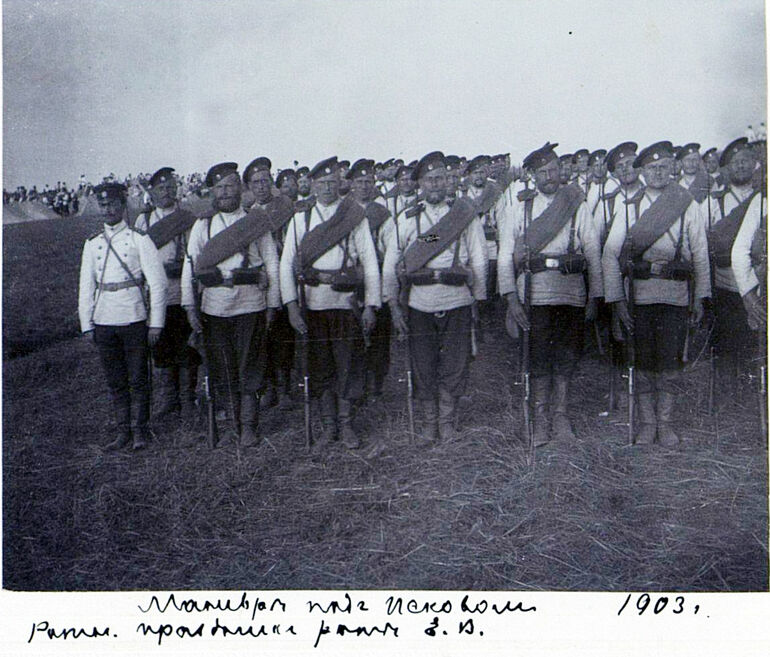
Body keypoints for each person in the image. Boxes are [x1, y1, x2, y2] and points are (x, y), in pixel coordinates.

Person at [602, 141, 710, 446]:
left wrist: (700, 298)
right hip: (640, 296)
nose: (658, 172)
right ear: (643, 172)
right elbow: (610, 255)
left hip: (676, 296)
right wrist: (617, 301)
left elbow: (700, 255)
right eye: (652, 168)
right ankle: (648, 423)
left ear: (673, 168)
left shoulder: (687, 204)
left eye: (663, 167)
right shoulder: (630, 206)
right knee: (643, 363)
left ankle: (666, 424)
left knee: (670, 364)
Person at [499, 143, 602, 445]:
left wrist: (595, 296)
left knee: (567, 356)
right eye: (543, 172)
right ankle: (541, 416)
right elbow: (505, 256)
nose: (549, 176)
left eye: (554, 170)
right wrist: (510, 298)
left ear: (560, 171)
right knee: (539, 357)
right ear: (533, 176)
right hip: (535, 293)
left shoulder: (576, 204)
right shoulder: (519, 208)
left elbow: (593, 252)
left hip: (570, 292)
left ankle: (561, 416)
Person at [383, 151, 487, 443]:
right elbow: (392, 262)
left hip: (457, 300)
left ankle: (447, 421)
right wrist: (393, 305)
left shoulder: (463, 215)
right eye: (429, 180)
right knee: (423, 364)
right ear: (420, 184)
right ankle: (430, 423)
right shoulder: (408, 219)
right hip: (420, 302)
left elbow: (479, 258)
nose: (435, 185)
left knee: (456, 363)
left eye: (440, 178)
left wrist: (478, 300)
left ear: (448, 180)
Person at [280, 156, 380, 453]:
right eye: (321, 183)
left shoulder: (354, 217)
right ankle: (328, 425)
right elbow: (286, 265)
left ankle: (346, 423)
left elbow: (370, 263)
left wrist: (371, 304)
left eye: (332, 183)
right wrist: (291, 306)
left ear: (340, 184)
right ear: (312, 185)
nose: (326, 188)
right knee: (320, 365)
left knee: (348, 364)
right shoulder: (300, 220)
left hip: (346, 303)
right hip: (313, 304)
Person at [181, 162, 281, 447]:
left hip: (250, 303)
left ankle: (249, 426)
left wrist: (272, 304)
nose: (225, 192)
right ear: (213, 191)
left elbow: (271, 264)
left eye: (230, 186)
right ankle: (234, 424)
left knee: (251, 365)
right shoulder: (203, 225)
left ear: (240, 188)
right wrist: (190, 307)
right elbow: (190, 266)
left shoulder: (255, 221)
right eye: (219, 187)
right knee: (222, 367)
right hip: (215, 307)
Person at [78, 182, 168, 451]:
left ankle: (140, 430)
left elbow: (158, 284)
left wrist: (156, 323)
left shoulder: (139, 239)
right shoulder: (92, 243)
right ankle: (122, 432)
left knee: (138, 378)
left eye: (113, 204)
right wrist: (86, 324)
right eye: (103, 205)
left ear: (123, 205)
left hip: (133, 317)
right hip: (104, 319)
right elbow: (86, 287)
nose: (107, 210)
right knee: (115, 380)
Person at [134, 167, 200, 421]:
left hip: (181, 291)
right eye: (161, 188)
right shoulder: (144, 221)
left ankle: (187, 398)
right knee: (161, 346)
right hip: (155, 296)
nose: (166, 193)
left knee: (185, 345)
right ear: (152, 192)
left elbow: (195, 253)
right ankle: (169, 397)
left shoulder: (187, 219)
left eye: (171, 187)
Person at [242, 156, 296, 410]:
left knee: (283, 332)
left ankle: (285, 386)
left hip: (284, 275)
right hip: (260, 281)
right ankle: (268, 386)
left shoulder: (285, 208)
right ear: (249, 187)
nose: (261, 186)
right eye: (256, 182)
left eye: (265, 181)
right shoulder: (247, 215)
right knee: (262, 334)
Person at [708, 138, 762, 380]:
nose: (741, 166)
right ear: (727, 168)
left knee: (755, 349)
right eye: (735, 162)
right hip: (726, 287)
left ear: (754, 164)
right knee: (727, 350)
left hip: (757, 286)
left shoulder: (762, 198)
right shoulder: (715, 200)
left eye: (745, 160)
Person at [347, 158, 394, 401]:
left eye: (368, 181)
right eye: (359, 182)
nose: (364, 186)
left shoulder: (382, 213)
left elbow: (392, 245)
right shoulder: (344, 212)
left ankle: (377, 381)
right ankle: (358, 381)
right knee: (353, 332)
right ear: (351, 185)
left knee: (379, 332)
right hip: (352, 278)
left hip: (377, 275)